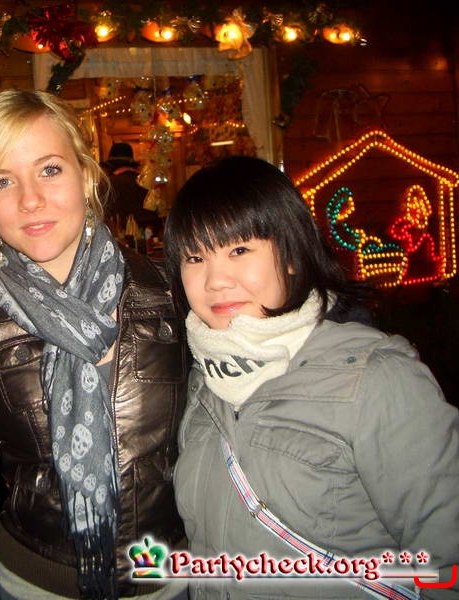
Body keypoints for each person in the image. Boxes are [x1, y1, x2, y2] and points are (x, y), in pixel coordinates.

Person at [163, 155, 459, 600]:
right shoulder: (204, 383)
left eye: (239, 250)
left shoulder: (377, 379)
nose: (215, 280)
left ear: (290, 256)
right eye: (195, 256)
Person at [0, 89, 188, 600]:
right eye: (2, 181)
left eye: (49, 170)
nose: (29, 200)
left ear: (86, 174)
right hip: (34, 583)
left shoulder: (170, 292)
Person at [103, 142, 159, 236]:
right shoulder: (145, 181)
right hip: (149, 235)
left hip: (120, 237)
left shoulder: (109, 183)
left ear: (111, 165)